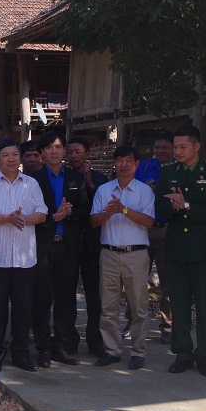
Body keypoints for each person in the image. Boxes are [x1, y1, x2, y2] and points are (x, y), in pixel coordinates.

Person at [0, 138, 47, 373]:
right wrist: (7, 218)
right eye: (6, 155)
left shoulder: (31, 184)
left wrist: (22, 219)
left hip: (25, 259)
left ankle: (21, 354)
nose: (11, 159)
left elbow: (42, 214)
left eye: (15, 154)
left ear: (20, 157)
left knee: (23, 310)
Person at [155, 126, 206, 377]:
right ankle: (182, 354)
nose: (178, 151)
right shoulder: (168, 173)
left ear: (196, 147)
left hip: (203, 249)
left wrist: (188, 205)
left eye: (183, 147)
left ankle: (204, 356)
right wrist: (173, 207)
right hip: (176, 248)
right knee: (179, 304)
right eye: (176, 147)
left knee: (203, 306)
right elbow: (159, 207)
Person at [91, 145, 155, 370]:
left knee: (138, 307)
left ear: (136, 164)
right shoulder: (104, 190)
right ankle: (112, 350)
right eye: (120, 160)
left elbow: (149, 222)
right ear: (114, 163)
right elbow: (93, 221)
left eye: (129, 161)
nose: (124, 164)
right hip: (109, 254)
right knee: (108, 307)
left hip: (136, 254)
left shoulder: (145, 191)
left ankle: (138, 351)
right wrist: (108, 212)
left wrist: (123, 210)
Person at [32, 132, 90, 368]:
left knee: (66, 299)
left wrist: (70, 213)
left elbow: (86, 209)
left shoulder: (76, 177)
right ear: (42, 153)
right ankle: (43, 348)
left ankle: (61, 346)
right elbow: (29, 212)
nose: (54, 151)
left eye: (57, 146)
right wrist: (52, 216)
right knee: (41, 298)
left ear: (64, 150)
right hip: (42, 245)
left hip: (68, 245)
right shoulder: (33, 180)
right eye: (49, 147)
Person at [123, 131, 175, 343]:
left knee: (168, 281)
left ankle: (168, 327)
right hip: (142, 229)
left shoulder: (177, 170)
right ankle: (131, 322)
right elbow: (131, 190)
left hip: (166, 230)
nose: (160, 151)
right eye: (157, 147)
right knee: (135, 279)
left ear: (173, 149)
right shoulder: (144, 167)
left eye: (165, 148)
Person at [66, 136, 108, 358]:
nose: (73, 156)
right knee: (67, 293)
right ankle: (69, 339)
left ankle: (95, 340)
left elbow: (99, 208)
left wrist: (91, 186)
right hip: (70, 243)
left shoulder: (100, 178)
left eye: (78, 152)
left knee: (94, 295)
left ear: (88, 154)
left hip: (93, 243)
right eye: (70, 152)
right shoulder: (64, 176)